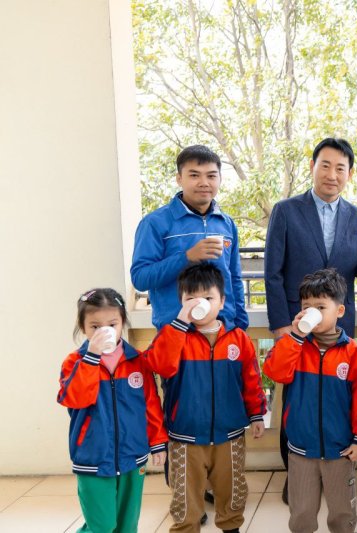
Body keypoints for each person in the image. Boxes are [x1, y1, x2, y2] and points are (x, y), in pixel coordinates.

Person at [265, 137, 357, 502]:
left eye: (341, 168)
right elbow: (272, 271)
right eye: (326, 165)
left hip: (338, 329)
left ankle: (335, 470)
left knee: (337, 401)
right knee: (296, 400)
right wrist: (283, 325)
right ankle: (296, 475)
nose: (332, 174)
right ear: (313, 166)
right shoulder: (286, 211)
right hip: (297, 326)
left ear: (349, 174)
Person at [145, 263, 267, 532]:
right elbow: (161, 365)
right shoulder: (173, 336)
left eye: (208, 298)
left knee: (232, 488)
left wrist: (256, 413)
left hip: (230, 433)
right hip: (186, 435)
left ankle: (231, 526)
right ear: (181, 302)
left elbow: (251, 379)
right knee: (185, 495)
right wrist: (179, 324)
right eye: (190, 298)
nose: (200, 304)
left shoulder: (238, 339)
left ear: (222, 301)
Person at [262, 269, 357, 533]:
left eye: (320, 306)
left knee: (342, 513)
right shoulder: (293, 347)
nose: (311, 312)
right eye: (306, 307)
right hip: (301, 449)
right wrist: (295, 337)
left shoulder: (354, 354)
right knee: (301, 514)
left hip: (340, 451)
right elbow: (275, 372)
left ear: (340, 311)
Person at [58, 289, 167, 533]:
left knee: (127, 524)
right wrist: (91, 358)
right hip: (92, 457)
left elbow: (150, 403)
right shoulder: (74, 363)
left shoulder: (137, 361)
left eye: (112, 324)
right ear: (83, 327)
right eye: (95, 326)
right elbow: (73, 399)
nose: (103, 331)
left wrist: (158, 442)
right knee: (102, 525)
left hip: (133, 454)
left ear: (122, 324)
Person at [131, 144, 248, 331]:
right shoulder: (155, 223)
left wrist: (240, 325)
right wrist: (186, 258)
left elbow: (234, 277)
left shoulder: (226, 224)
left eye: (211, 175)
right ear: (179, 178)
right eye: (194, 175)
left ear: (220, 179)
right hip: (176, 333)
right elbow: (141, 278)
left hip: (223, 332)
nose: (204, 182)